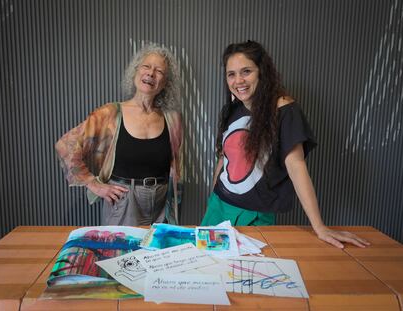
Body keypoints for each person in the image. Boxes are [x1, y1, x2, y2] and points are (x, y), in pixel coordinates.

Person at [201, 40, 369, 248]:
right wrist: (212, 197)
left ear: (261, 72)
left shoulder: (284, 110)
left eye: (246, 71)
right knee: (209, 272)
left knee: (245, 275)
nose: (238, 80)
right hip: (218, 206)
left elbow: (296, 167)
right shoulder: (232, 110)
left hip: (254, 215)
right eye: (231, 74)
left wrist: (319, 226)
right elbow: (224, 158)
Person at [56, 44, 182, 226]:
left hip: (163, 206)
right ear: (135, 72)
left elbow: (177, 169)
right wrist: (93, 183)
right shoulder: (110, 114)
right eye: (146, 66)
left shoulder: (173, 119)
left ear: (165, 83)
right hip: (123, 203)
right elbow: (66, 145)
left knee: (157, 254)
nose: (151, 73)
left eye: (159, 71)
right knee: (121, 253)